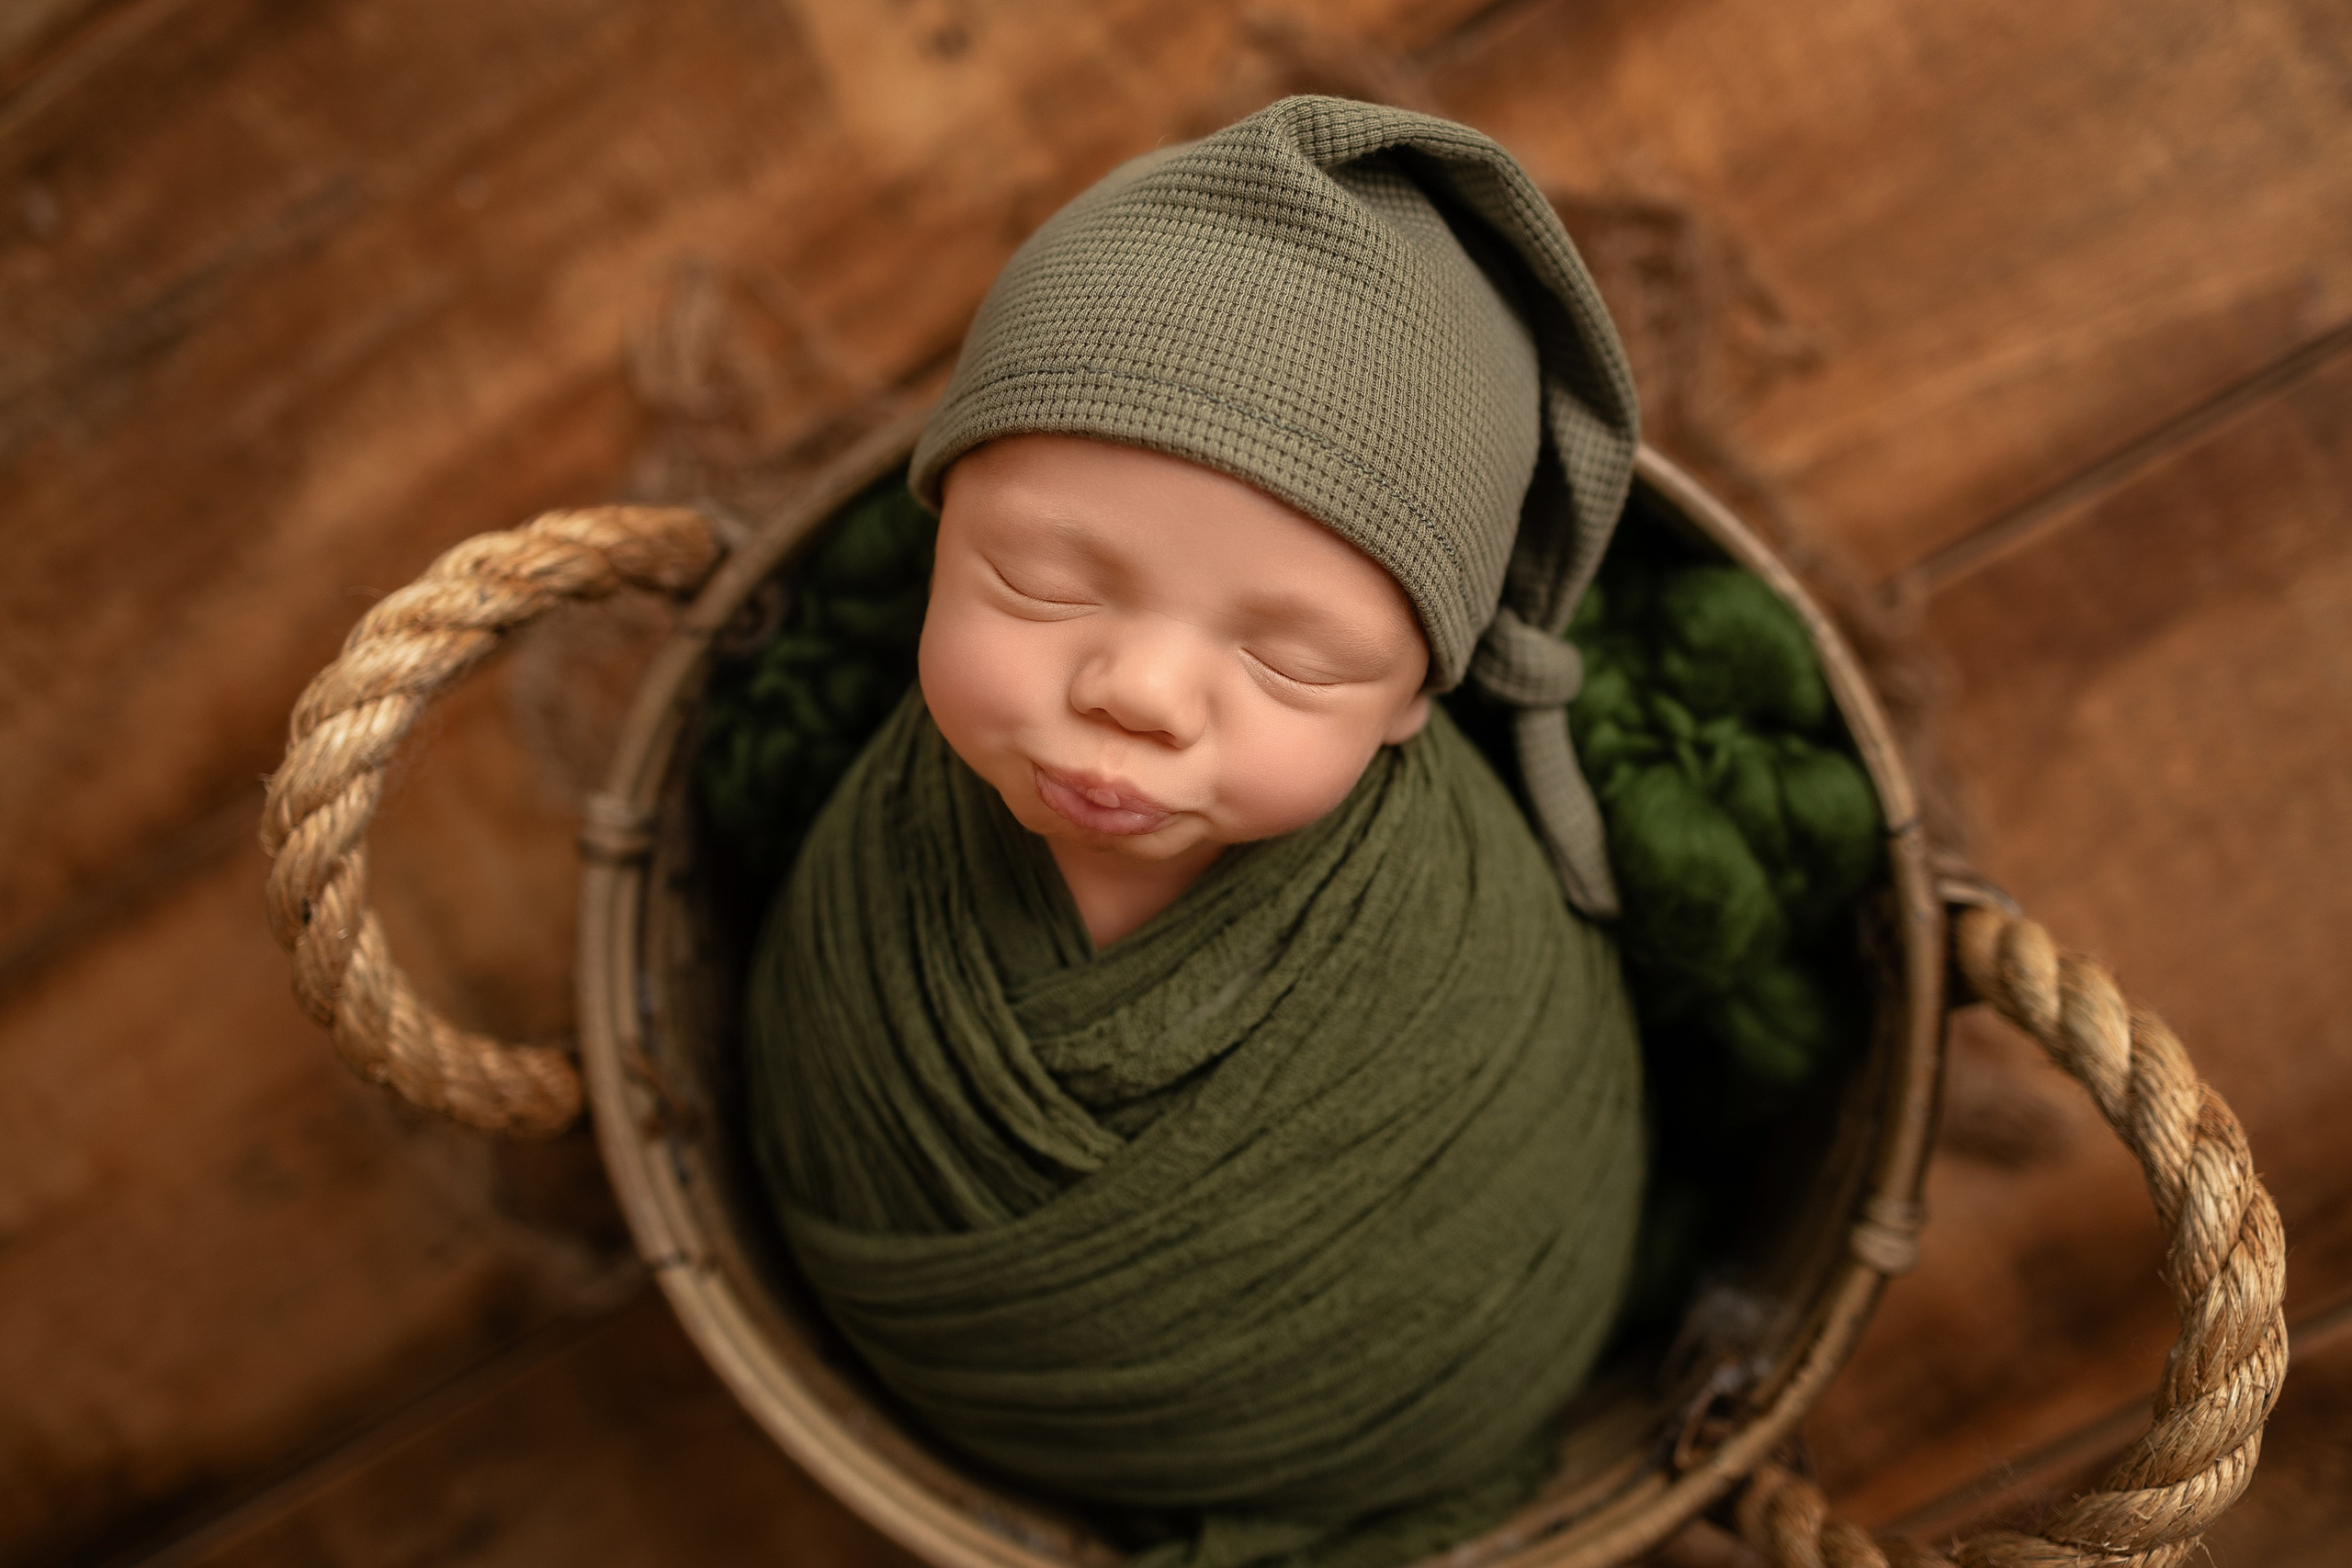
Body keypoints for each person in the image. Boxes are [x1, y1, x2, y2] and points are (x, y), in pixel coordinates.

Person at [744, 96, 1646, 1566]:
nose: (1141, 694)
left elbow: (1528, 1216)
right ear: (939, 526)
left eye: (1294, 663)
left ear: (1418, 700)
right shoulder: (885, 875)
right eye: (1038, 583)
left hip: (1408, 1410)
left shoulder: (1463, 956)